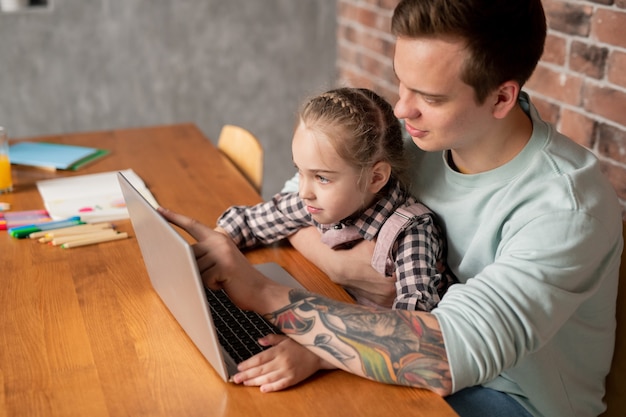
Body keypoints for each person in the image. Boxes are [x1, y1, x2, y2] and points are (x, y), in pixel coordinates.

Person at [159, 0, 624, 416]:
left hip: (510, 395)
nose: (403, 110)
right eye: (402, 84)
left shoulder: (565, 208)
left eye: (430, 97)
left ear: (501, 97)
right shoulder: (417, 141)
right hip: (411, 344)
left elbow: (444, 352)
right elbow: (305, 201)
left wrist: (261, 293)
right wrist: (350, 273)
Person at [213, 87, 455, 391]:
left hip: (378, 367)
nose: (304, 191)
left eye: (322, 177)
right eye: (300, 172)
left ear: (375, 178)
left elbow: (410, 331)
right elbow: (248, 221)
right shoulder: (322, 200)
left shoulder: (410, 232)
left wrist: (320, 351)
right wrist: (213, 246)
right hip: (332, 321)